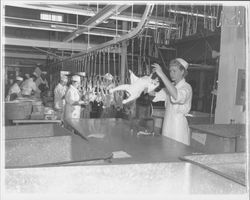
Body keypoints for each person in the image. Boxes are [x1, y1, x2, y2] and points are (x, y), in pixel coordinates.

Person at [152, 58, 192, 145]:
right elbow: (155, 95)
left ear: (182, 72)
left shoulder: (186, 87)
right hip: (167, 125)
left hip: (178, 129)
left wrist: (162, 75)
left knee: (176, 153)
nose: (171, 74)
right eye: (170, 71)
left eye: (174, 71)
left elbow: (176, 96)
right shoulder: (171, 86)